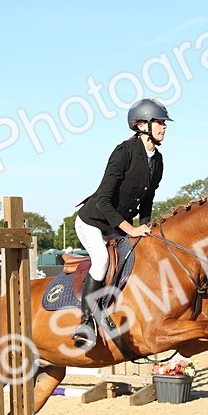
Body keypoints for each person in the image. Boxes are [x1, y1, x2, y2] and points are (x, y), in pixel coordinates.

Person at [72, 97, 169, 350]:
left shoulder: (157, 160)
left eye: (164, 123)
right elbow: (104, 200)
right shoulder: (123, 152)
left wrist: (146, 227)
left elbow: (148, 200)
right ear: (141, 125)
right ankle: (86, 322)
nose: (164, 126)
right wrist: (131, 229)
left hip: (117, 227)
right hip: (93, 222)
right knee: (102, 260)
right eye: (159, 122)